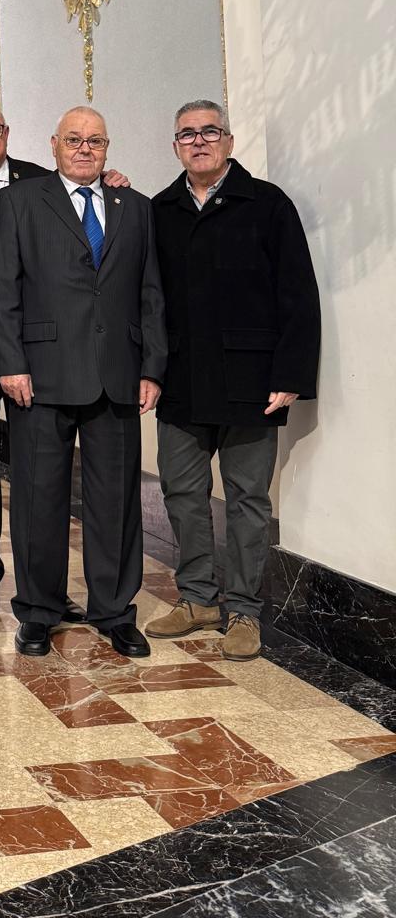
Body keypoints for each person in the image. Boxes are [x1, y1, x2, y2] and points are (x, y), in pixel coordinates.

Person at [0, 106, 167, 660]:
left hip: (117, 375)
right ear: (54, 144)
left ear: (107, 147)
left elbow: (150, 292)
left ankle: (114, 611)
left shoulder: (134, 207)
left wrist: (151, 367)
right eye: (73, 140)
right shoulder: (19, 200)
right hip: (38, 376)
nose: (84, 149)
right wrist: (9, 363)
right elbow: (1, 288)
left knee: (116, 502)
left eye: (95, 141)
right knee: (38, 500)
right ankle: (39, 612)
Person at [145, 102, 320, 660]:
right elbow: (146, 300)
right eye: (187, 134)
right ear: (176, 146)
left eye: (209, 132)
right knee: (183, 492)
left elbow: (298, 294)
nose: (199, 142)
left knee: (247, 499)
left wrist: (290, 374)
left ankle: (243, 609)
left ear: (229, 140)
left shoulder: (267, 204)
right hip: (182, 379)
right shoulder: (159, 210)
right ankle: (197, 598)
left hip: (253, 382)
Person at [0, 101, 129, 622]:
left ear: (11, 134)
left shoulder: (42, 181)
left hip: (61, 361)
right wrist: (2, 356)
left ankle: (83, 600)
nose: (82, 148)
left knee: (73, 490)